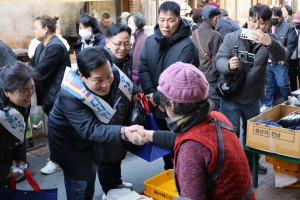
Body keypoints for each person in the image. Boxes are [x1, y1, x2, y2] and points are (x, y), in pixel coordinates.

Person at [132, 62, 256, 199]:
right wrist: (148, 135)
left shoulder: (191, 150)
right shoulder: (217, 118)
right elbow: (184, 139)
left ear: (172, 105)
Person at [48, 47, 145, 200]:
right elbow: (90, 128)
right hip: (70, 143)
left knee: (90, 175)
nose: (106, 84)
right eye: (98, 80)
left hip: (93, 139)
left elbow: (127, 84)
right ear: (82, 76)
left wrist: (135, 92)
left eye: (108, 77)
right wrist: (124, 131)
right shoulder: (69, 95)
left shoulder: (112, 71)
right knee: (79, 183)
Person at [215, 4, 287, 174]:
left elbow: (282, 56)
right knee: (231, 132)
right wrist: (228, 65)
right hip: (232, 96)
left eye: (262, 23)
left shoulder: (269, 41)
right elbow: (219, 60)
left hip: (254, 96)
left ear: (269, 23)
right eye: (253, 21)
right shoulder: (233, 37)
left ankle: (251, 162)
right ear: (248, 20)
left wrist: (269, 43)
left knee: (253, 134)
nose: (256, 26)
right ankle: (232, 164)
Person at [139, 1, 199, 170]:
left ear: (179, 19)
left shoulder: (188, 46)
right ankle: (169, 173)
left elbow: (183, 82)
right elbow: (143, 68)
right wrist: (151, 95)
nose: (165, 25)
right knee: (165, 148)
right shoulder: (151, 40)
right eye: (162, 19)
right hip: (157, 107)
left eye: (170, 20)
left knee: (180, 147)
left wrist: (158, 97)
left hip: (177, 109)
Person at [95, 24, 141, 200]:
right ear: (107, 42)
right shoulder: (100, 61)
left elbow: (129, 79)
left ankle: (117, 182)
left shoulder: (127, 57)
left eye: (127, 43)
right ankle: (109, 191)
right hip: (105, 114)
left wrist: (135, 91)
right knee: (105, 154)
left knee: (119, 149)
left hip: (123, 111)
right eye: (118, 44)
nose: (123, 48)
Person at [29, 15, 71, 175]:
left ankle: (57, 160)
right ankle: (58, 156)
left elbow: (39, 72)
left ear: (45, 29)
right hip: (49, 95)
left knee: (56, 130)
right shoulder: (42, 46)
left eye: (35, 27)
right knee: (55, 129)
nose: (33, 31)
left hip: (56, 96)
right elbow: (32, 66)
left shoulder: (55, 46)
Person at [0, 61, 38, 189]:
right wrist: (4, 170)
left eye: (32, 87)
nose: (30, 94)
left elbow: (19, 133)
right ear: (6, 92)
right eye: (24, 90)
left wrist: (20, 158)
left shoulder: (22, 104)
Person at [260, 7, 297, 112]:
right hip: (267, 61)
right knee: (267, 84)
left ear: (280, 17)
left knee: (282, 83)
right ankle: (268, 104)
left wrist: (285, 58)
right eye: (271, 16)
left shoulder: (288, 28)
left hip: (279, 61)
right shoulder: (266, 26)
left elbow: (291, 44)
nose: (273, 18)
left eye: (275, 16)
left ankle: (288, 101)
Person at [192, 5, 222, 111]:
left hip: (196, 79)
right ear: (214, 18)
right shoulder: (216, 35)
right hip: (211, 81)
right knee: (213, 112)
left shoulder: (194, 33)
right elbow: (216, 62)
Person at [127, 13, 148, 85]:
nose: (128, 25)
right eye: (128, 23)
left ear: (137, 25)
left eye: (130, 23)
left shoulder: (145, 38)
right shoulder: (130, 37)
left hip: (140, 77)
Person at [289, 10, 300, 91]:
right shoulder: (291, 29)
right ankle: (294, 92)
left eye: (298, 23)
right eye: (296, 23)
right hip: (292, 56)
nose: (296, 25)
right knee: (292, 75)